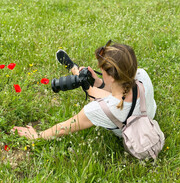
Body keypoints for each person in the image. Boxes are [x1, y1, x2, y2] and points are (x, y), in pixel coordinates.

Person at [11, 40, 157, 140]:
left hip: (127, 129)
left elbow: (63, 129)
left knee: (92, 92)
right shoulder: (142, 75)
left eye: (102, 70)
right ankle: (79, 74)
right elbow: (120, 92)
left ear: (111, 77)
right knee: (94, 89)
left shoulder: (99, 110)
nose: (100, 69)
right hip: (147, 115)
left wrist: (36, 136)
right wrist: (99, 82)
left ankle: (75, 71)